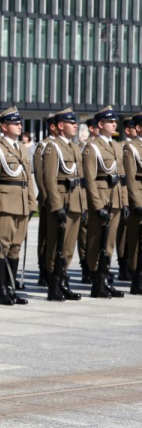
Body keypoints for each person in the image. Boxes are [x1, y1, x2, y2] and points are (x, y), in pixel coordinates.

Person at [0, 107, 37, 306]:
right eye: (15, 123)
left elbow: (27, 179)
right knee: (2, 247)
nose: (19, 126)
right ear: (4, 126)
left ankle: (11, 287)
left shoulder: (22, 148)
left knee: (15, 247)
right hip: (6, 203)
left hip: (22, 203)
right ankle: (1, 289)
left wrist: (32, 202)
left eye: (20, 123)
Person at [83, 106, 128, 298]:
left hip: (116, 198)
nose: (114, 124)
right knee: (96, 242)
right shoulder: (91, 147)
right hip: (101, 199)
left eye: (114, 121)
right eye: (110, 122)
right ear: (100, 125)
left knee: (109, 243)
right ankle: (96, 281)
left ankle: (104, 279)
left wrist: (124, 202)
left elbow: (123, 177)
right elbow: (90, 180)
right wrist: (97, 205)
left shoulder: (116, 146)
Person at [42, 108, 86, 302]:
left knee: (68, 247)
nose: (75, 125)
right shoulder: (53, 148)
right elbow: (50, 179)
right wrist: (56, 206)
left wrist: (83, 205)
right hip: (62, 202)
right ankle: (53, 285)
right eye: (71, 122)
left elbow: (81, 180)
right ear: (60, 126)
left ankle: (63, 281)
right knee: (55, 246)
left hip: (75, 201)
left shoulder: (75, 148)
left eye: (75, 122)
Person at [32, 114, 57, 287]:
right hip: (48, 198)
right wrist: (45, 195)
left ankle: (55, 270)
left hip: (61, 198)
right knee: (46, 235)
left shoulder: (64, 145)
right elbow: (40, 175)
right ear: (53, 127)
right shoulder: (44, 146)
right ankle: (44, 271)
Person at [78, 118, 100, 283]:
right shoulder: (83, 147)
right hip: (85, 194)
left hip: (99, 196)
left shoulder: (106, 147)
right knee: (84, 234)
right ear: (92, 129)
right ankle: (86, 268)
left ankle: (97, 268)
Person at [116, 118, 138, 281]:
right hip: (128, 194)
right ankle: (125, 266)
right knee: (124, 235)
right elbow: (125, 178)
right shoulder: (124, 147)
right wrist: (125, 201)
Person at [123, 113, 142, 294]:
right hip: (139, 198)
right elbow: (130, 178)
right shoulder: (131, 147)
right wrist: (137, 203)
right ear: (138, 128)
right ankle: (137, 279)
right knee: (136, 241)